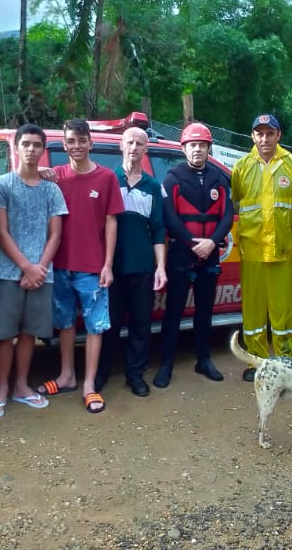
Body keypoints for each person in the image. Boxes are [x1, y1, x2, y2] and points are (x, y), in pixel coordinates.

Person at [36, 119, 123, 414]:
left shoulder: (106, 177)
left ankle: (89, 384)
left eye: (81, 140)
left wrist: (108, 265)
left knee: (96, 326)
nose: (76, 146)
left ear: (90, 143)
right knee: (65, 323)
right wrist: (39, 171)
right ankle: (66, 376)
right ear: (63, 144)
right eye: (71, 141)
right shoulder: (56, 176)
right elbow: (26, 179)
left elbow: (111, 223)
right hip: (60, 266)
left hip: (93, 268)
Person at [0, 124, 67, 418]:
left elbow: (55, 234)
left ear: (43, 150)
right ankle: (1, 389)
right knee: (4, 334)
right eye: (26, 144)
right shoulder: (3, 185)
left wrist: (39, 268)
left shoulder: (52, 189)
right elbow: (1, 231)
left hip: (42, 274)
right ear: (17, 148)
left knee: (29, 332)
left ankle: (21, 385)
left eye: (36, 145)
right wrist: (26, 267)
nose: (31, 149)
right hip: (8, 273)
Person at [156, 122, 233, 386]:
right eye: (192, 145)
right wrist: (192, 243)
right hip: (181, 253)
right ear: (184, 149)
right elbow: (169, 217)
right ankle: (166, 365)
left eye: (202, 145)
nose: (197, 149)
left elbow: (227, 216)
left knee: (204, 310)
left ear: (209, 148)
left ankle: (204, 360)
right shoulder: (173, 178)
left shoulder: (219, 179)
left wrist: (212, 242)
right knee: (174, 311)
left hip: (209, 254)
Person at [232, 113, 292, 382]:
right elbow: (237, 202)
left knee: (285, 312)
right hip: (252, 252)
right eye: (259, 134)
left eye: (270, 133)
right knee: (253, 313)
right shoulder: (241, 167)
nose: (264, 139)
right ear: (253, 136)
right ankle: (257, 362)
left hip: (284, 251)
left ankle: (288, 363)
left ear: (278, 135)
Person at [95, 127, 167, 396]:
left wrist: (160, 267)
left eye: (139, 143)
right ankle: (100, 373)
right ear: (121, 146)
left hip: (142, 267)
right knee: (108, 324)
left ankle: (135, 375)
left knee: (140, 323)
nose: (134, 147)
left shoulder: (153, 186)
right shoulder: (108, 179)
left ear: (146, 148)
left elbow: (158, 230)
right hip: (111, 268)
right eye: (130, 142)